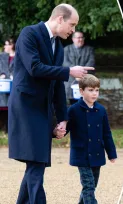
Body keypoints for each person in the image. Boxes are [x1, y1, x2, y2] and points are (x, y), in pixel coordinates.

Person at [8, 4, 94, 203]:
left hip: (43, 110)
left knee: (36, 163)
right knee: (37, 162)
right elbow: (34, 68)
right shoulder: (29, 34)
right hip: (26, 106)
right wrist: (69, 72)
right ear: (60, 19)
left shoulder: (59, 48)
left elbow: (56, 86)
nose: (73, 30)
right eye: (72, 24)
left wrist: (62, 119)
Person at [54, 74, 117, 203]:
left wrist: (111, 153)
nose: (94, 93)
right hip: (82, 154)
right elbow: (66, 128)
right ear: (81, 91)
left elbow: (106, 133)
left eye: (97, 90)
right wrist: (58, 133)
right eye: (90, 90)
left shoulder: (101, 110)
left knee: (91, 186)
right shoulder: (73, 110)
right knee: (88, 186)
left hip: (97, 154)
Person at [63, 31, 95, 105]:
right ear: (73, 39)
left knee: (86, 104)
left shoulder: (89, 49)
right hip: (70, 81)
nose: (80, 39)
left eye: (82, 37)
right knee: (72, 104)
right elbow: (65, 63)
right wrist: (75, 72)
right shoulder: (66, 49)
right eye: (78, 38)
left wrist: (81, 74)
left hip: (86, 80)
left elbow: (91, 62)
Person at [0, 38, 15, 130]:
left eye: (7, 44)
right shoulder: (2, 56)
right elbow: (1, 68)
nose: (5, 46)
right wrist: (2, 74)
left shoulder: (18, 56)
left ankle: (9, 128)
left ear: (12, 45)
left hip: (14, 84)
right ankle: (3, 128)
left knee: (12, 106)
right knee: (3, 105)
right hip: (4, 84)